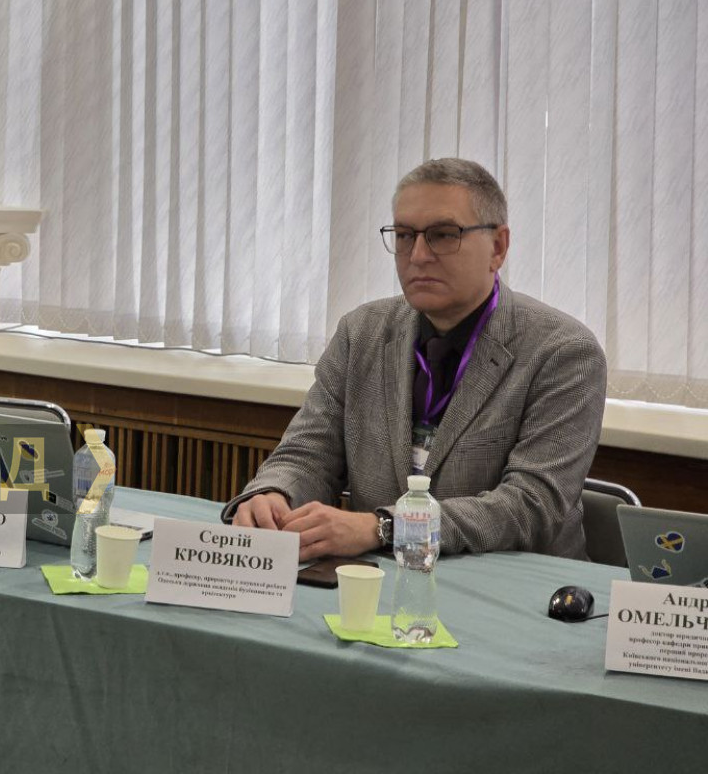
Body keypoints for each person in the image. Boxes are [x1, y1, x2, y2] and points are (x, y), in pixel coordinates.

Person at [224, 158, 606, 559]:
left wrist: (388, 526)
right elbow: (308, 454)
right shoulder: (361, 333)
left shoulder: (563, 352)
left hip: (513, 583)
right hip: (381, 577)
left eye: (443, 235)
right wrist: (274, 494)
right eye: (405, 236)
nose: (418, 255)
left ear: (498, 247)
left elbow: (530, 505)